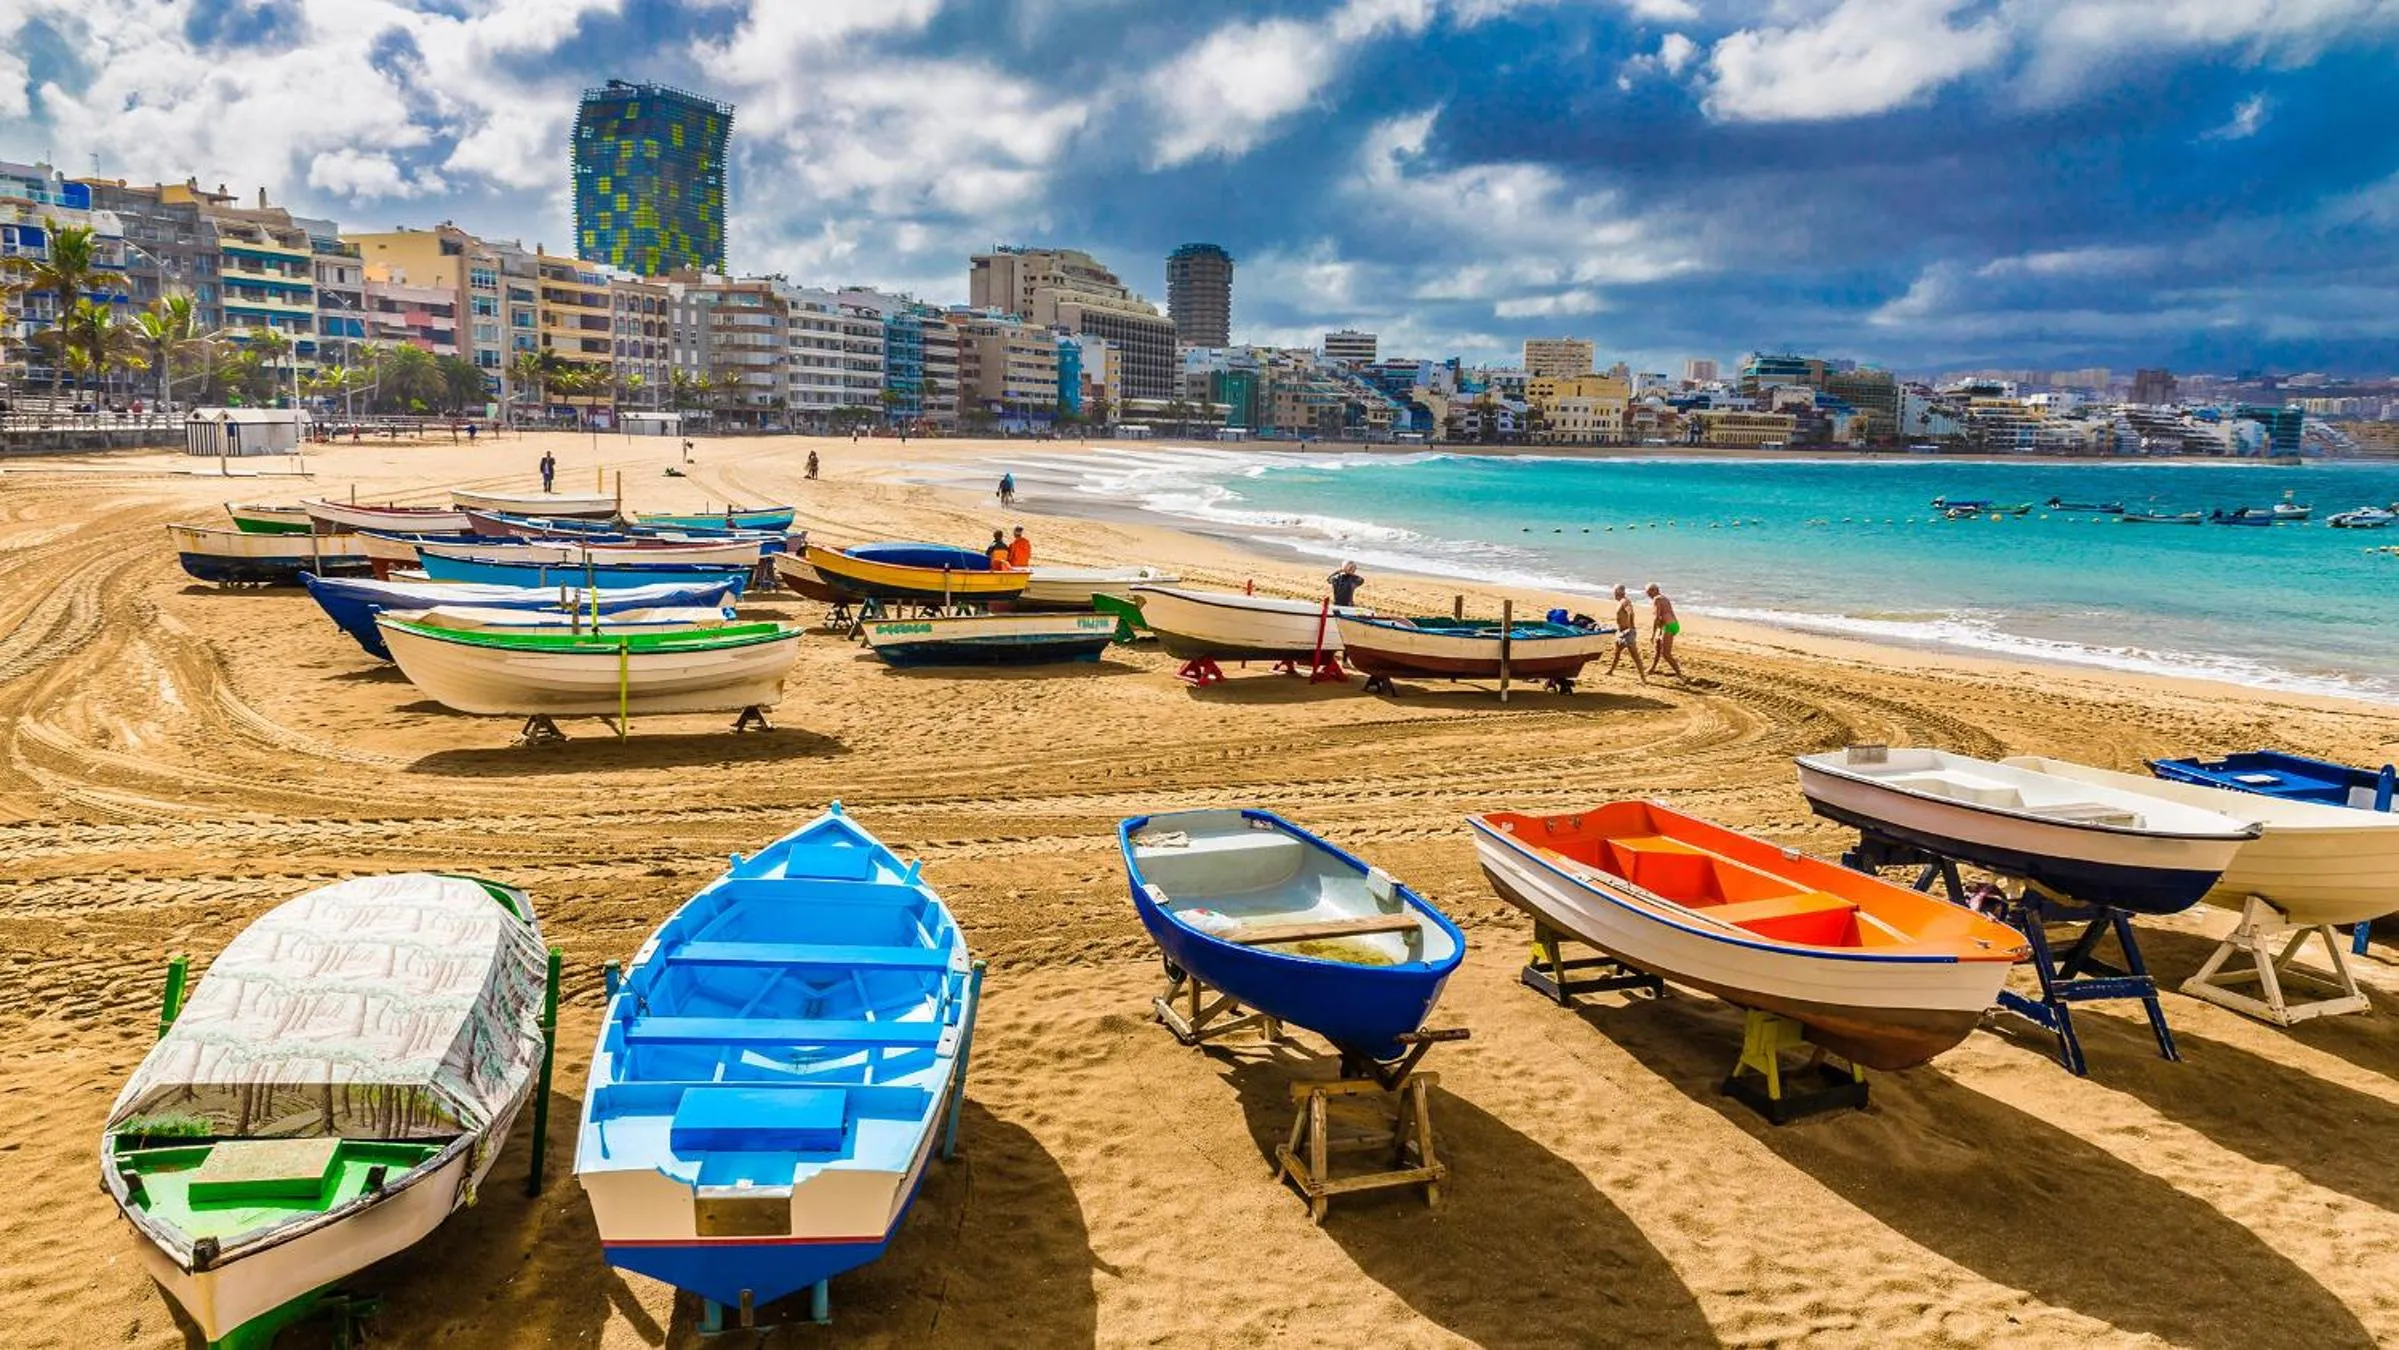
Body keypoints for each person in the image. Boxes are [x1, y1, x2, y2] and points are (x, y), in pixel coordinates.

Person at [1606, 584, 1646, 682]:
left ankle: (1643, 677)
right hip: (1621, 632)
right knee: (1616, 653)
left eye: (1614, 592)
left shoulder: (1624, 601)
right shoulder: (1620, 602)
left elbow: (1631, 612)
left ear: (1617, 593)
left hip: (1628, 632)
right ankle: (1611, 670)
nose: (1613, 594)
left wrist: (1631, 626)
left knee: (1634, 655)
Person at [1645, 583, 1684, 679]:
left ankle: (1679, 675)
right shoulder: (1664, 598)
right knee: (1658, 647)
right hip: (1672, 625)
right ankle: (1652, 668)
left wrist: (1653, 634)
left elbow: (1657, 618)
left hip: (1668, 626)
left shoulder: (1657, 599)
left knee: (1666, 654)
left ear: (1654, 590)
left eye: (1648, 592)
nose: (1648, 595)